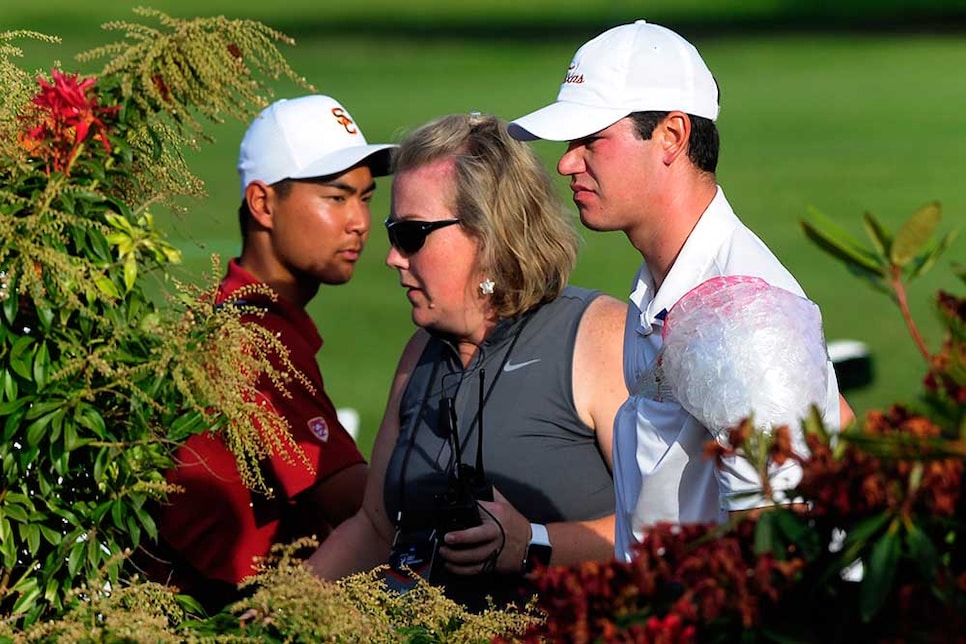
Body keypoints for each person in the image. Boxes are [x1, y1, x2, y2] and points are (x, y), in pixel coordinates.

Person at [508, 20, 855, 562]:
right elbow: (836, 420)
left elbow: (780, 542)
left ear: (672, 136)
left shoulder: (739, 311)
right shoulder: (666, 287)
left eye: (590, 140)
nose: (566, 162)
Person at [305, 112, 626, 609]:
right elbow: (374, 527)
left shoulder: (599, 337)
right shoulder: (422, 351)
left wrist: (533, 544)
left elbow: (664, 528)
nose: (392, 257)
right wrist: (270, 615)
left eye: (411, 235)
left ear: (490, 233)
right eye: (393, 232)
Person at [142, 94, 395, 611]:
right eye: (336, 197)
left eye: (366, 198)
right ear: (262, 204)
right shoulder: (251, 337)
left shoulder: (242, 314)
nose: (360, 223)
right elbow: (362, 507)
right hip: (215, 619)